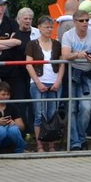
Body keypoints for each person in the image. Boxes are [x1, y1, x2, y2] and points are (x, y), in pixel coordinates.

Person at [61, 9, 91, 151]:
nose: (85, 23)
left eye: (87, 20)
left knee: (86, 108)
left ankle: (80, 137)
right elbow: (65, 55)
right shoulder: (67, 35)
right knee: (72, 108)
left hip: (88, 73)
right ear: (75, 22)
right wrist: (78, 55)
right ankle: (76, 141)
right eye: (81, 20)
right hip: (72, 73)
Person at [25, 16, 65, 152]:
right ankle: (40, 145)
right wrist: (37, 82)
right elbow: (29, 65)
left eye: (50, 27)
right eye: (46, 27)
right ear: (39, 28)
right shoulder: (32, 44)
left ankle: (51, 144)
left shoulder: (57, 44)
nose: (49, 29)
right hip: (38, 81)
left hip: (53, 81)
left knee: (52, 113)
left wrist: (58, 81)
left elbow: (62, 64)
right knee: (39, 113)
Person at [0, 81, 25, 155]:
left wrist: (14, 123)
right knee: (0, 130)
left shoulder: (13, 107)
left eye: (8, 94)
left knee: (14, 129)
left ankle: (19, 151)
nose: (6, 97)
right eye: (3, 94)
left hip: (9, 138)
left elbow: (22, 127)